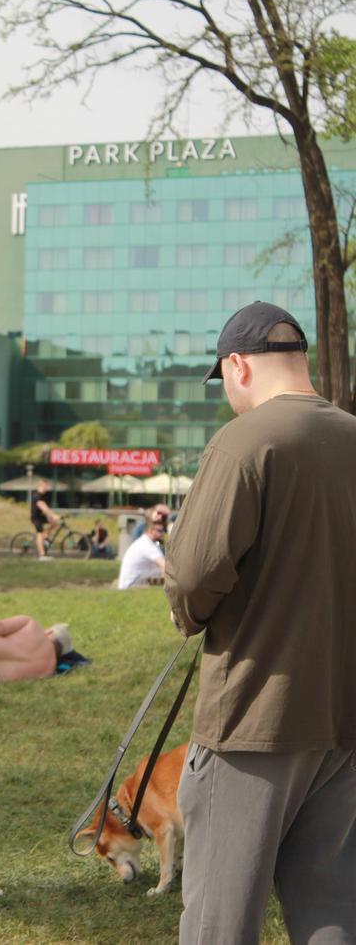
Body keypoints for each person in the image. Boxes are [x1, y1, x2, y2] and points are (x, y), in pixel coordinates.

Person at [164, 301, 356, 944]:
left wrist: (189, 614)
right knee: (331, 906)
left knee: (221, 919)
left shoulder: (246, 441)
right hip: (342, 721)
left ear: (237, 365)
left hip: (254, 719)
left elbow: (193, 574)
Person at [117, 516, 166, 588]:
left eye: (163, 530)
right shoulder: (147, 545)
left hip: (132, 582)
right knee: (170, 573)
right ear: (150, 530)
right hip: (131, 585)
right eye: (159, 531)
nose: (162, 534)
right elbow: (165, 565)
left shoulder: (143, 541)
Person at [30, 478, 61, 559]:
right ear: (41, 486)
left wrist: (51, 517)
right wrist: (53, 515)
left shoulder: (43, 496)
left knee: (55, 522)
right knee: (39, 534)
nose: (47, 488)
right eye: (46, 486)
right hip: (36, 518)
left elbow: (46, 508)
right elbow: (43, 507)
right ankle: (42, 555)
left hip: (41, 516)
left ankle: (46, 536)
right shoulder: (36, 495)